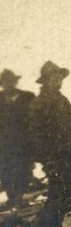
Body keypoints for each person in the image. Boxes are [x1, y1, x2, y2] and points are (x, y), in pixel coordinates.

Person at [28, 61, 71, 227]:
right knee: (57, 195)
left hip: (67, 155)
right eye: (55, 76)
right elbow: (35, 134)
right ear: (46, 80)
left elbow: (67, 126)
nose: (59, 79)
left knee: (66, 195)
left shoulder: (62, 100)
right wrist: (47, 159)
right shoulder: (39, 103)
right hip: (54, 157)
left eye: (60, 76)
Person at [0, 69, 35, 208]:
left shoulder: (28, 97)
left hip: (24, 144)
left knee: (24, 170)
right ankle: (13, 199)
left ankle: (20, 199)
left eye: (11, 81)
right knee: (6, 173)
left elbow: (35, 119)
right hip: (4, 146)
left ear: (15, 82)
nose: (8, 85)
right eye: (5, 83)